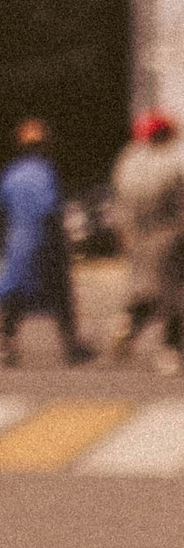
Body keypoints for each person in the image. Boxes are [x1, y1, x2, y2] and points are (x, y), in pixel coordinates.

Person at [0, 116, 89, 367]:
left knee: (15, 295)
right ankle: (70, 346)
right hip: (45, 243)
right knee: (60, 294)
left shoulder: (11, 173)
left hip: (17, 243)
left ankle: (6, 345)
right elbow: (49, 208)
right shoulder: (45, 173)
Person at [109, 108, 184, 370]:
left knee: (146, 291)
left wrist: (125, 235)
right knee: (176, 297)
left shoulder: (129, 161)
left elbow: (118, 203)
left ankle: (127, 324)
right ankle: (170, 351)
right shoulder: (176, 161)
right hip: (171, 237)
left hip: (136, 239)